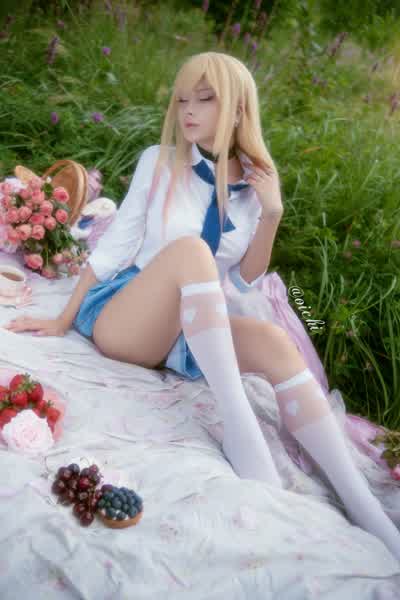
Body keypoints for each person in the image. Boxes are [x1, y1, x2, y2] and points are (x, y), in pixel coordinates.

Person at [4, 51, 400, 561]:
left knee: (275, 342)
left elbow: (245, 279)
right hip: (127, 316)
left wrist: (272, 213)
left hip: (190, 327)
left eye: (205, 99)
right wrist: (63, 318)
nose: (188, 110)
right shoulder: (159, 160)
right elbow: (117, 246)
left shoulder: (256, 184)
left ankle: (365, 508)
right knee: (192, 251)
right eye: (183, 98)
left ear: (237, 108)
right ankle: (240, 427)